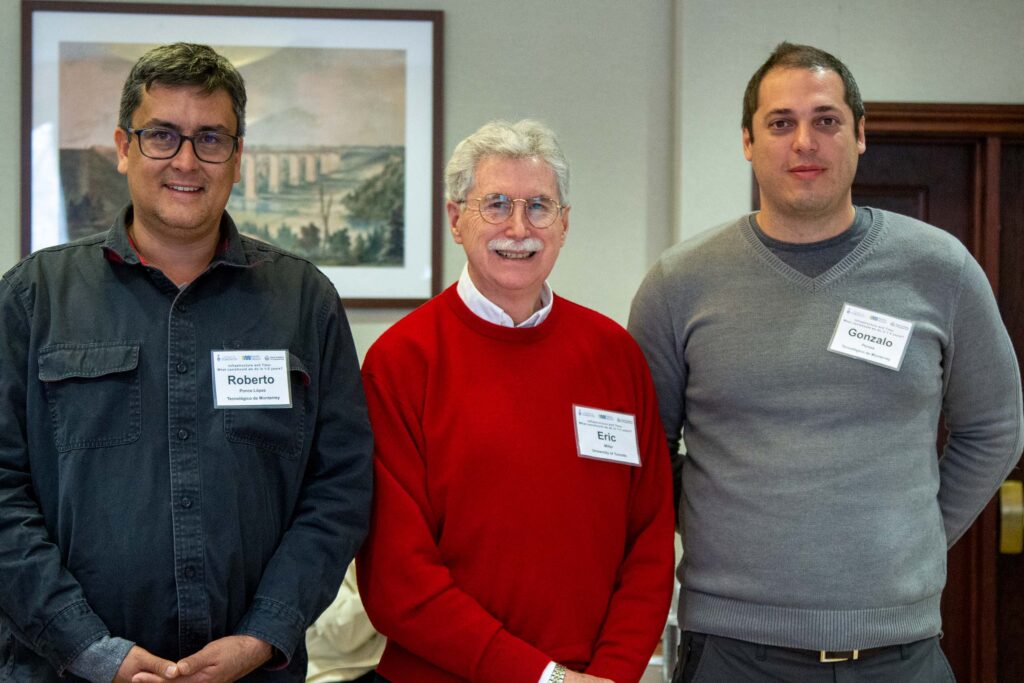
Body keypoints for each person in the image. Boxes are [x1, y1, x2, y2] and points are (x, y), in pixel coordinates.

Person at [629, 41, 1024, 682]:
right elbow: (647, 450)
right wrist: (723, 523)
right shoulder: (681, 282)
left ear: (861, 134)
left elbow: (995, 429)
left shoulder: (941, 268)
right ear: (748, 142)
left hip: (901, 653)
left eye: (827, 120)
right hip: (733, 651)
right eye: (781, 123)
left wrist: (914, 535)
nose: (804, 142)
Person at [0, 43, 373, 682]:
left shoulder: (304, 303)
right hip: (58, 670)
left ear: (237, 156)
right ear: (123, 147)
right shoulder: (35, 300)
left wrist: (264, 634)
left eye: (210, 138)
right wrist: (92, 649)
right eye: (161, 136)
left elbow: (338, 490)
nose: (186, 160)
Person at [357, 119, 675, 683]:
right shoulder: (401, 362)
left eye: (539, 206)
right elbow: (395, 578)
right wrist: (541, 677)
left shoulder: (614, 355)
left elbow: (649, 539)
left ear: (565, 223)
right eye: (496, 204)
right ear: (456, 219)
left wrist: (612, 674)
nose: (518, 228)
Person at [305, 562, 384, 683]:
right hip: (329, 673)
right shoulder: (326, 555)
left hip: (384, 668)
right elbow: (341, 632)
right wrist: (389, 590)